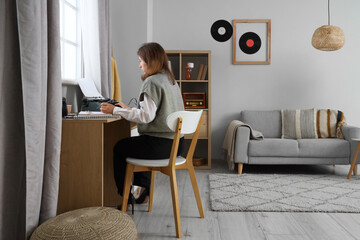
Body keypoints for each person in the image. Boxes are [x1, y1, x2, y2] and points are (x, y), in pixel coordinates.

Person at [100, 42, 184, 206]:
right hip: (177, 144)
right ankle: (144, 189)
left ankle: (124, 198)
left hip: (161, 145)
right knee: (138, 143)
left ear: (150, 61)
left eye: (141, 61)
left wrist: (115, 111)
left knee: (120, 148)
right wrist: (128, 109)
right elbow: (155, 112)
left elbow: (146, 117)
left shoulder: (152, 82)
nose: (139, 65)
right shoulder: (171, 80)